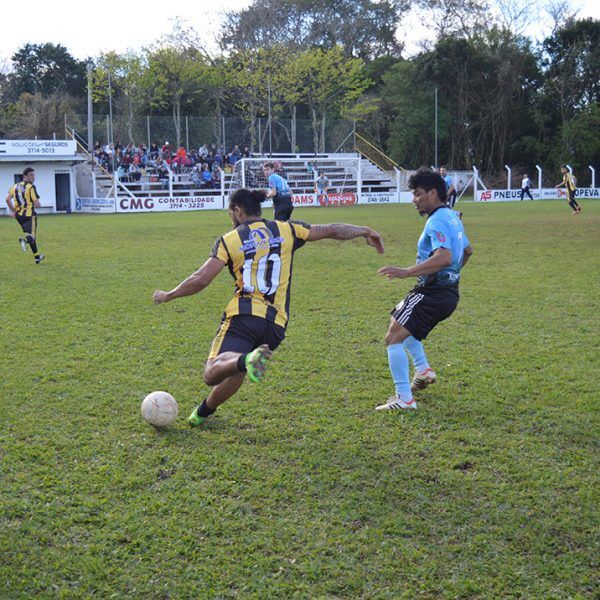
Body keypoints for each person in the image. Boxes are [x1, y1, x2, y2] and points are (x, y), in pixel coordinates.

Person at [153, 188, 384, 427]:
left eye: (230, 213)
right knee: (238, 368)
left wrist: (169, 295)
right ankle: (202, 413)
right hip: (276, 325)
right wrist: (365, 231)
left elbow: (201, 279)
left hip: (243, 316)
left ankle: (246, 360)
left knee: (212, 372)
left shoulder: (230, 240)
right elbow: (332, 230)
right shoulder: (287, 229)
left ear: (238, 211)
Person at [375, 168, 473, 411]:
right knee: (399, 321)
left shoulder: (438, 219)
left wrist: (407, 271)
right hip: (448, 291)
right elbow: (467, 251)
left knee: (392, 338)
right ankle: (423, 369)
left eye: (417, 194)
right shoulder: (451, 216)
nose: (414, 200)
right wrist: (450, 276)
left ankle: (405, 399)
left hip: (433, 292)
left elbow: (444, 256)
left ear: (432, 193)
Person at [5, 167, 45, 264]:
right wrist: (38, 204)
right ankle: (24, 240)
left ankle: (37, 257)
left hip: (19, 216)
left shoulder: (15, 186)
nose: (33, 177)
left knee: (30, 235)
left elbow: (7, 199)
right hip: (29, 215)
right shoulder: (31, 187)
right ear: (25, 176)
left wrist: (13, 210)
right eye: (31, 175)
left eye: (34, 175)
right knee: (31, 237)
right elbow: (37, 204)